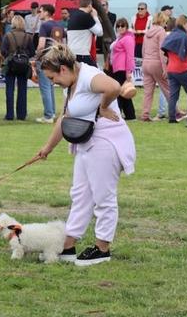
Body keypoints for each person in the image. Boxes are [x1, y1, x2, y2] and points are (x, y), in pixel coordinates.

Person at [34, 43, 136, 267]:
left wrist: (103, 107)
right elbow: (65, 118)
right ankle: (68, 246)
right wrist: (47, 148)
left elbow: (113, 86)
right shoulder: (69, 85)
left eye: (52, 78)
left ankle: (102, 249)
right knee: (80, 195)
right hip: (86, 144)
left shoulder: (89, 76)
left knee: (103, 197)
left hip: (106, 142)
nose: (53, 82)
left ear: (63, 69)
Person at [0, 15, 33, 121]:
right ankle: (21, 114)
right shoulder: (28, 36)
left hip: (11, 65)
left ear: (13, 23)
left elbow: (3, 51)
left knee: (9, 90)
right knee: (22, 90)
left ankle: (9, 115)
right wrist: (24, 55)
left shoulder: (8, 35)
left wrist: (10, 56)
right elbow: (32, 52)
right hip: (23, 65)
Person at [141, 13, 173, 122]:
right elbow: (162, 51)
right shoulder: (161, 32)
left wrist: (145, 61)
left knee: (148, 92)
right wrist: (165, 68)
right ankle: (176, 111)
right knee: (167, 89)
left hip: (146, 63)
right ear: (163, 21)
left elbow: (143, 50)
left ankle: (145, 114)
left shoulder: (147, 32)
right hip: (157, 63)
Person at [162, 15, 187, 124]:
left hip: (171, 68)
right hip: (183, 68)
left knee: (173, 95)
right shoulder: (185, 37)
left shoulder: (171, 35)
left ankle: (172, 118)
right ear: (184, 24)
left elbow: (165, 50)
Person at [35, 4, 63, 124]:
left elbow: (41, 45)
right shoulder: (59, 25)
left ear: (46, 13)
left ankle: (48, 115)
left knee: (45, 87)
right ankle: (51, 113)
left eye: (40, 11)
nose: (38, 13)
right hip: (56, 59)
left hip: (45, 59)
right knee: (50, 87)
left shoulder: (44, 26)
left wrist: (37, 55)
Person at [109, 18, 136, 120]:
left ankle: (122, 113)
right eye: (118, 26)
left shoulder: (128, 39)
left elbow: (130, 56)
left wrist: (128, 72)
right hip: (117, 68)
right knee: (123, 92)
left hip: (122, 69)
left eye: (122, 26)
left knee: (120, 92)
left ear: (126, 26)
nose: (120, 28)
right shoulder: (120, 38)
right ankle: (129, 115)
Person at [67, 0, 103, 67]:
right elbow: (100, 32)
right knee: (95, 73)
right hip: (82, 54)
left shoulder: (72, 16)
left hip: (71, 53)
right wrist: (95, 16)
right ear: (90, 5)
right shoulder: (85, 16)